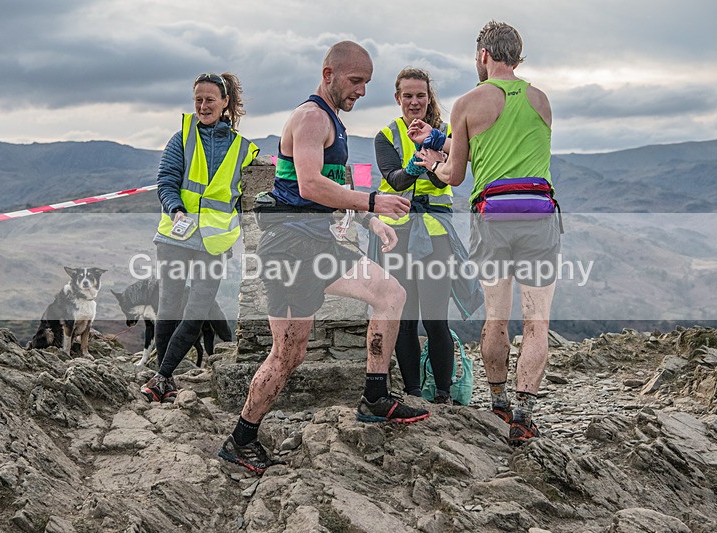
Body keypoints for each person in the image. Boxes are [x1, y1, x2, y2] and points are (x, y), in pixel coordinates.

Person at [218, 41, 430, 475]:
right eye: (356, 81)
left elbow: (331, 189)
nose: (362, 92)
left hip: (310, 245)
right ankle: (244, 437)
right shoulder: (312, 117)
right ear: (328, 74)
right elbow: (311, 185)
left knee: (298, 348)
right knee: (292, 352)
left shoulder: (332, 121)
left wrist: (370, 222)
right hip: (294, 248)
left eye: (367, 83)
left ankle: (372, 395)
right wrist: (374, 204)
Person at [412, 21, 559, 446]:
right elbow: (514, 147)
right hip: (538, 216)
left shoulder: (467, 103)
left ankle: (496, 402)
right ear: (518, 55)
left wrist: (431, 163)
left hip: (491, 217)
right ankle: (524, 414)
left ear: (483, 56)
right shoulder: (541, 101)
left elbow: (456, 174)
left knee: (496, 317)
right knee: (537, 322)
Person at [140, 72, 258, 402]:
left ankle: (161, 377)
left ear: (225, 103)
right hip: (175, 237)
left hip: (215, 242)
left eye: (209, 100)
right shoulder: (181, 138)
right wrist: (176, 208)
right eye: (198, 100)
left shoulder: (244, 150)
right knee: (170, 309)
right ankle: (165, 379)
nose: (203, 106)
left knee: (196, 311)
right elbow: (166, 181)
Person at [373, 67, 480, 404]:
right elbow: (396, 179)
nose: (415, 102)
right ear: (398, 98)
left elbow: (444, 179)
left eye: (421, 95)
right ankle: (413, 392)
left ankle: (444, 394)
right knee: (404, 319)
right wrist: (424, 164)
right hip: (397, 236)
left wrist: (433, 158)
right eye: (408, 96)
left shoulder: (445, 133)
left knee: (436, 317)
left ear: (428, 97)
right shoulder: (386, 136)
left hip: (435, 236)